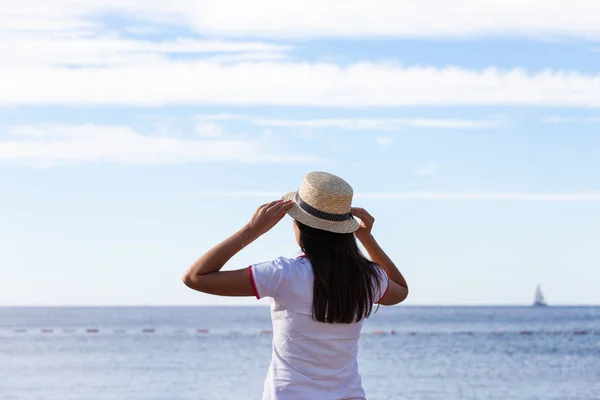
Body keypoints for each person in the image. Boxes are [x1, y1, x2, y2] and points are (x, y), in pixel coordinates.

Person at [183, 171, 409, 400]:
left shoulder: (284, 274)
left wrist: (252, 230)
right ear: (345, 230)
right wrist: (367, 238)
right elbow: (400, 290)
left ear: (301, 227)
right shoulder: (367, 277)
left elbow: (195, 277)